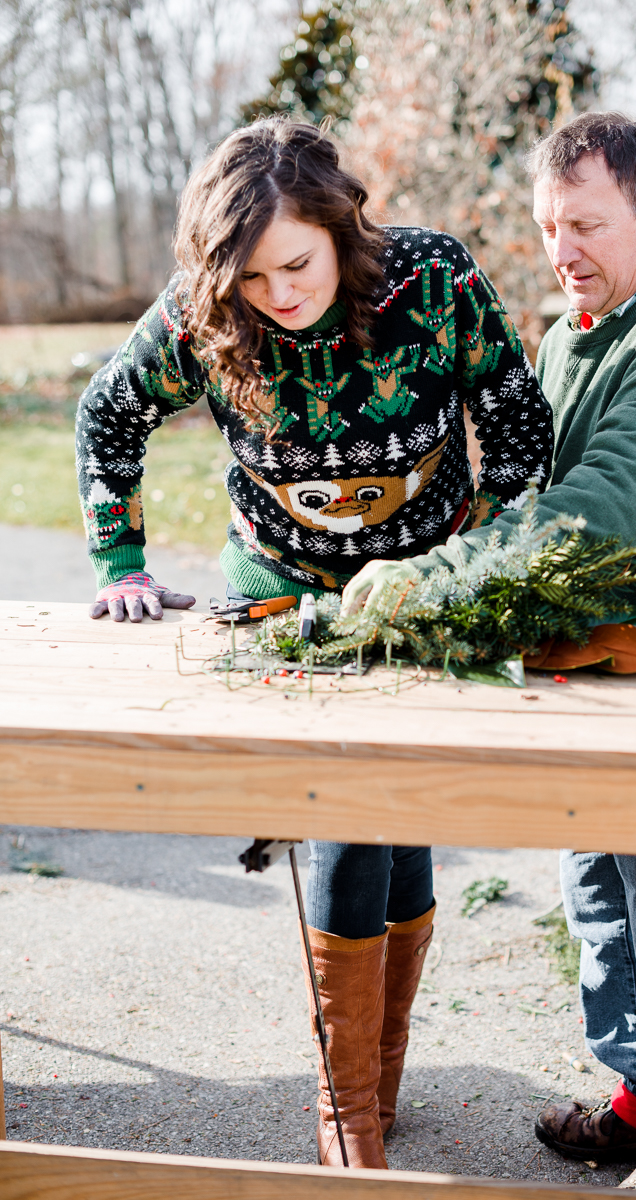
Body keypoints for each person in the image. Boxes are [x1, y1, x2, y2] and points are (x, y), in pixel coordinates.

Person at [75, 117, 554, 1168]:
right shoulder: (206, 316)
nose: (279, 293)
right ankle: (350, 1119)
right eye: (252, 278)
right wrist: (122, 565)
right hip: (287, 597)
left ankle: (375, 1084)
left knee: (406, 805)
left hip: (428, 589)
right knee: (345, 810)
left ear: (343, 230)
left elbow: (518, 426)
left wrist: (481, 567)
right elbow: (107, 416)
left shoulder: (434, 283)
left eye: (296, 263)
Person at [342, 112, 636, 1191]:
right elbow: (529, 490)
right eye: (547, 226)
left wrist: (438, 582)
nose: (560, 249)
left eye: (584, 224)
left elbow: (601, 512)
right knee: (602, 903)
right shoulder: (569, 332)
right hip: (602, 668)